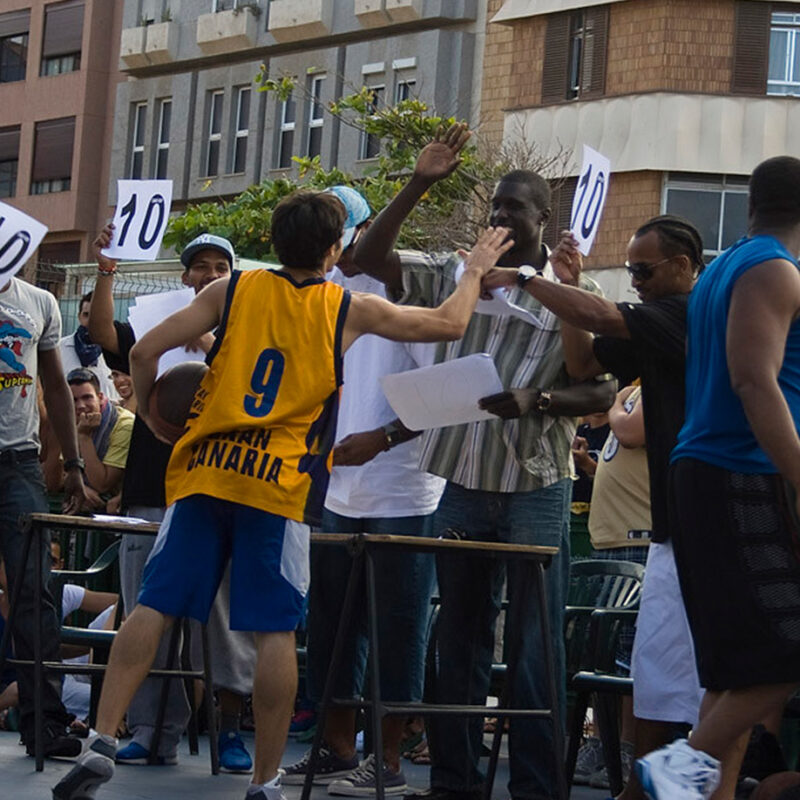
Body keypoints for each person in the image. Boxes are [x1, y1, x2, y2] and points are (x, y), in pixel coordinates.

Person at [53, 185, 514, 800]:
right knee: (273, 632)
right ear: (333, 249)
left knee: (153, 607)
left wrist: (162, 420)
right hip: (279, 484)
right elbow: (451, 321)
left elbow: (143, 350)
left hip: (206, 470)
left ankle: (102, 740)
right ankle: (266, 781)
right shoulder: (346, 307)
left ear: (271, 243)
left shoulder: (232, 289)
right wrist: (475, 269)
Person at [352, 126, 616, 800]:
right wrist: (419, 181)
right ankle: (453, 782)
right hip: (463, 485)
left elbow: (601, 389)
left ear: (542, 221)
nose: (500, 218)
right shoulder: (454, 271)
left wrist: (541, 397)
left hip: (534, 489)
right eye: (495, 208)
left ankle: (535, 787)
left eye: (514, 210)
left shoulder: (564, 291)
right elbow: (365, 256)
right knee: (459, 640)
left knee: (533, 647)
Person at [482, 214, 707, 799]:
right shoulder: (655, 321)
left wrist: (528, 278)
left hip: (712, 525)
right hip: (672, 527)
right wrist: (571, 286)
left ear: (684, 267)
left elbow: (604, 318)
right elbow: (584, 363)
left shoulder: (689, 312)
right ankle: (653, 785)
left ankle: (685, 784)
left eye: (643, 269)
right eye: (629, 269)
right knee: (657, 674)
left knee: (719, 682)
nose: (634, 280)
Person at [636, 157, 800, 799]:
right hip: (741, 476)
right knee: (785, 654)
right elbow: (752, 379)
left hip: (708, 473)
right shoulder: (771, 269)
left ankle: (700, 788)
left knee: (732, 672)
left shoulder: (723, 269)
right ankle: (675, 767)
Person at [280, 186, 445, 795]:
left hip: (403, 489)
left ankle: (392, 759)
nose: (336, 253)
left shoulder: (404, 290)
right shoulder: (323, 296)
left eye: (345, 238)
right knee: (331, 625)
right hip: (334, 487)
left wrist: (381, 438)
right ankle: (337, 746)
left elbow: (442, 393)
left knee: (399, 628)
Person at [87, 227, 256, 773]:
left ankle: (229, 731)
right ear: (183, 277)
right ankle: (151, 729)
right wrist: (107, 268)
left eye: (218, 266)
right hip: (151, 489)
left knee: (225, 620)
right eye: (198, 267)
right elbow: (100, 332)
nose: (207, 275)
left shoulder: (253, 327)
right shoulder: (156, 322)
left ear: (234, 275)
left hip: (218, 486)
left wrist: (209, 345)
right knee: (145, 614)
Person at [0, 268, 88, 758]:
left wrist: (73, 463)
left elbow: (55, 386)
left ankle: (45, 725)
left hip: (18, 462)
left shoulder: (40, 302)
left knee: (35, 592)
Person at [66, 367, 133, 501]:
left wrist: (84, 437)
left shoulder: (124, 424)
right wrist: (81, 487)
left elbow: (102, 484)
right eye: (74, 400)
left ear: (100, 397)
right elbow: (53, 478)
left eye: (87, 398)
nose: (81, 406)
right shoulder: (66, 420)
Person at [59, 291, 117, 401]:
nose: (92, 321)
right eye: (86, 315)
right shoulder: (58, 350)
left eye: (97, 315)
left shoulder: (118, 351)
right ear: (79, 316)